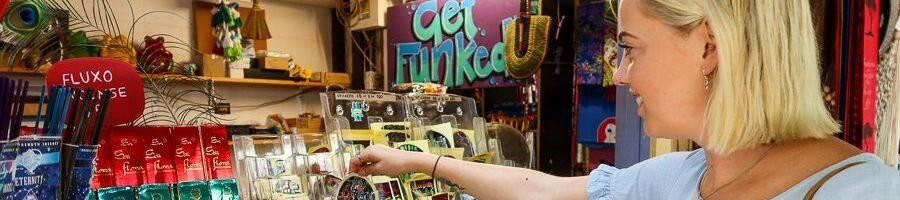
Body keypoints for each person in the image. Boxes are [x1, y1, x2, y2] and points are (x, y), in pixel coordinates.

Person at [349, 0, 900, 199]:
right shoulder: (688, 177)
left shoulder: (862, 191)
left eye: (631, 48)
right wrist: (415, 162)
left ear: (709, 45)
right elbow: (539, 189)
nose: (620, 72)